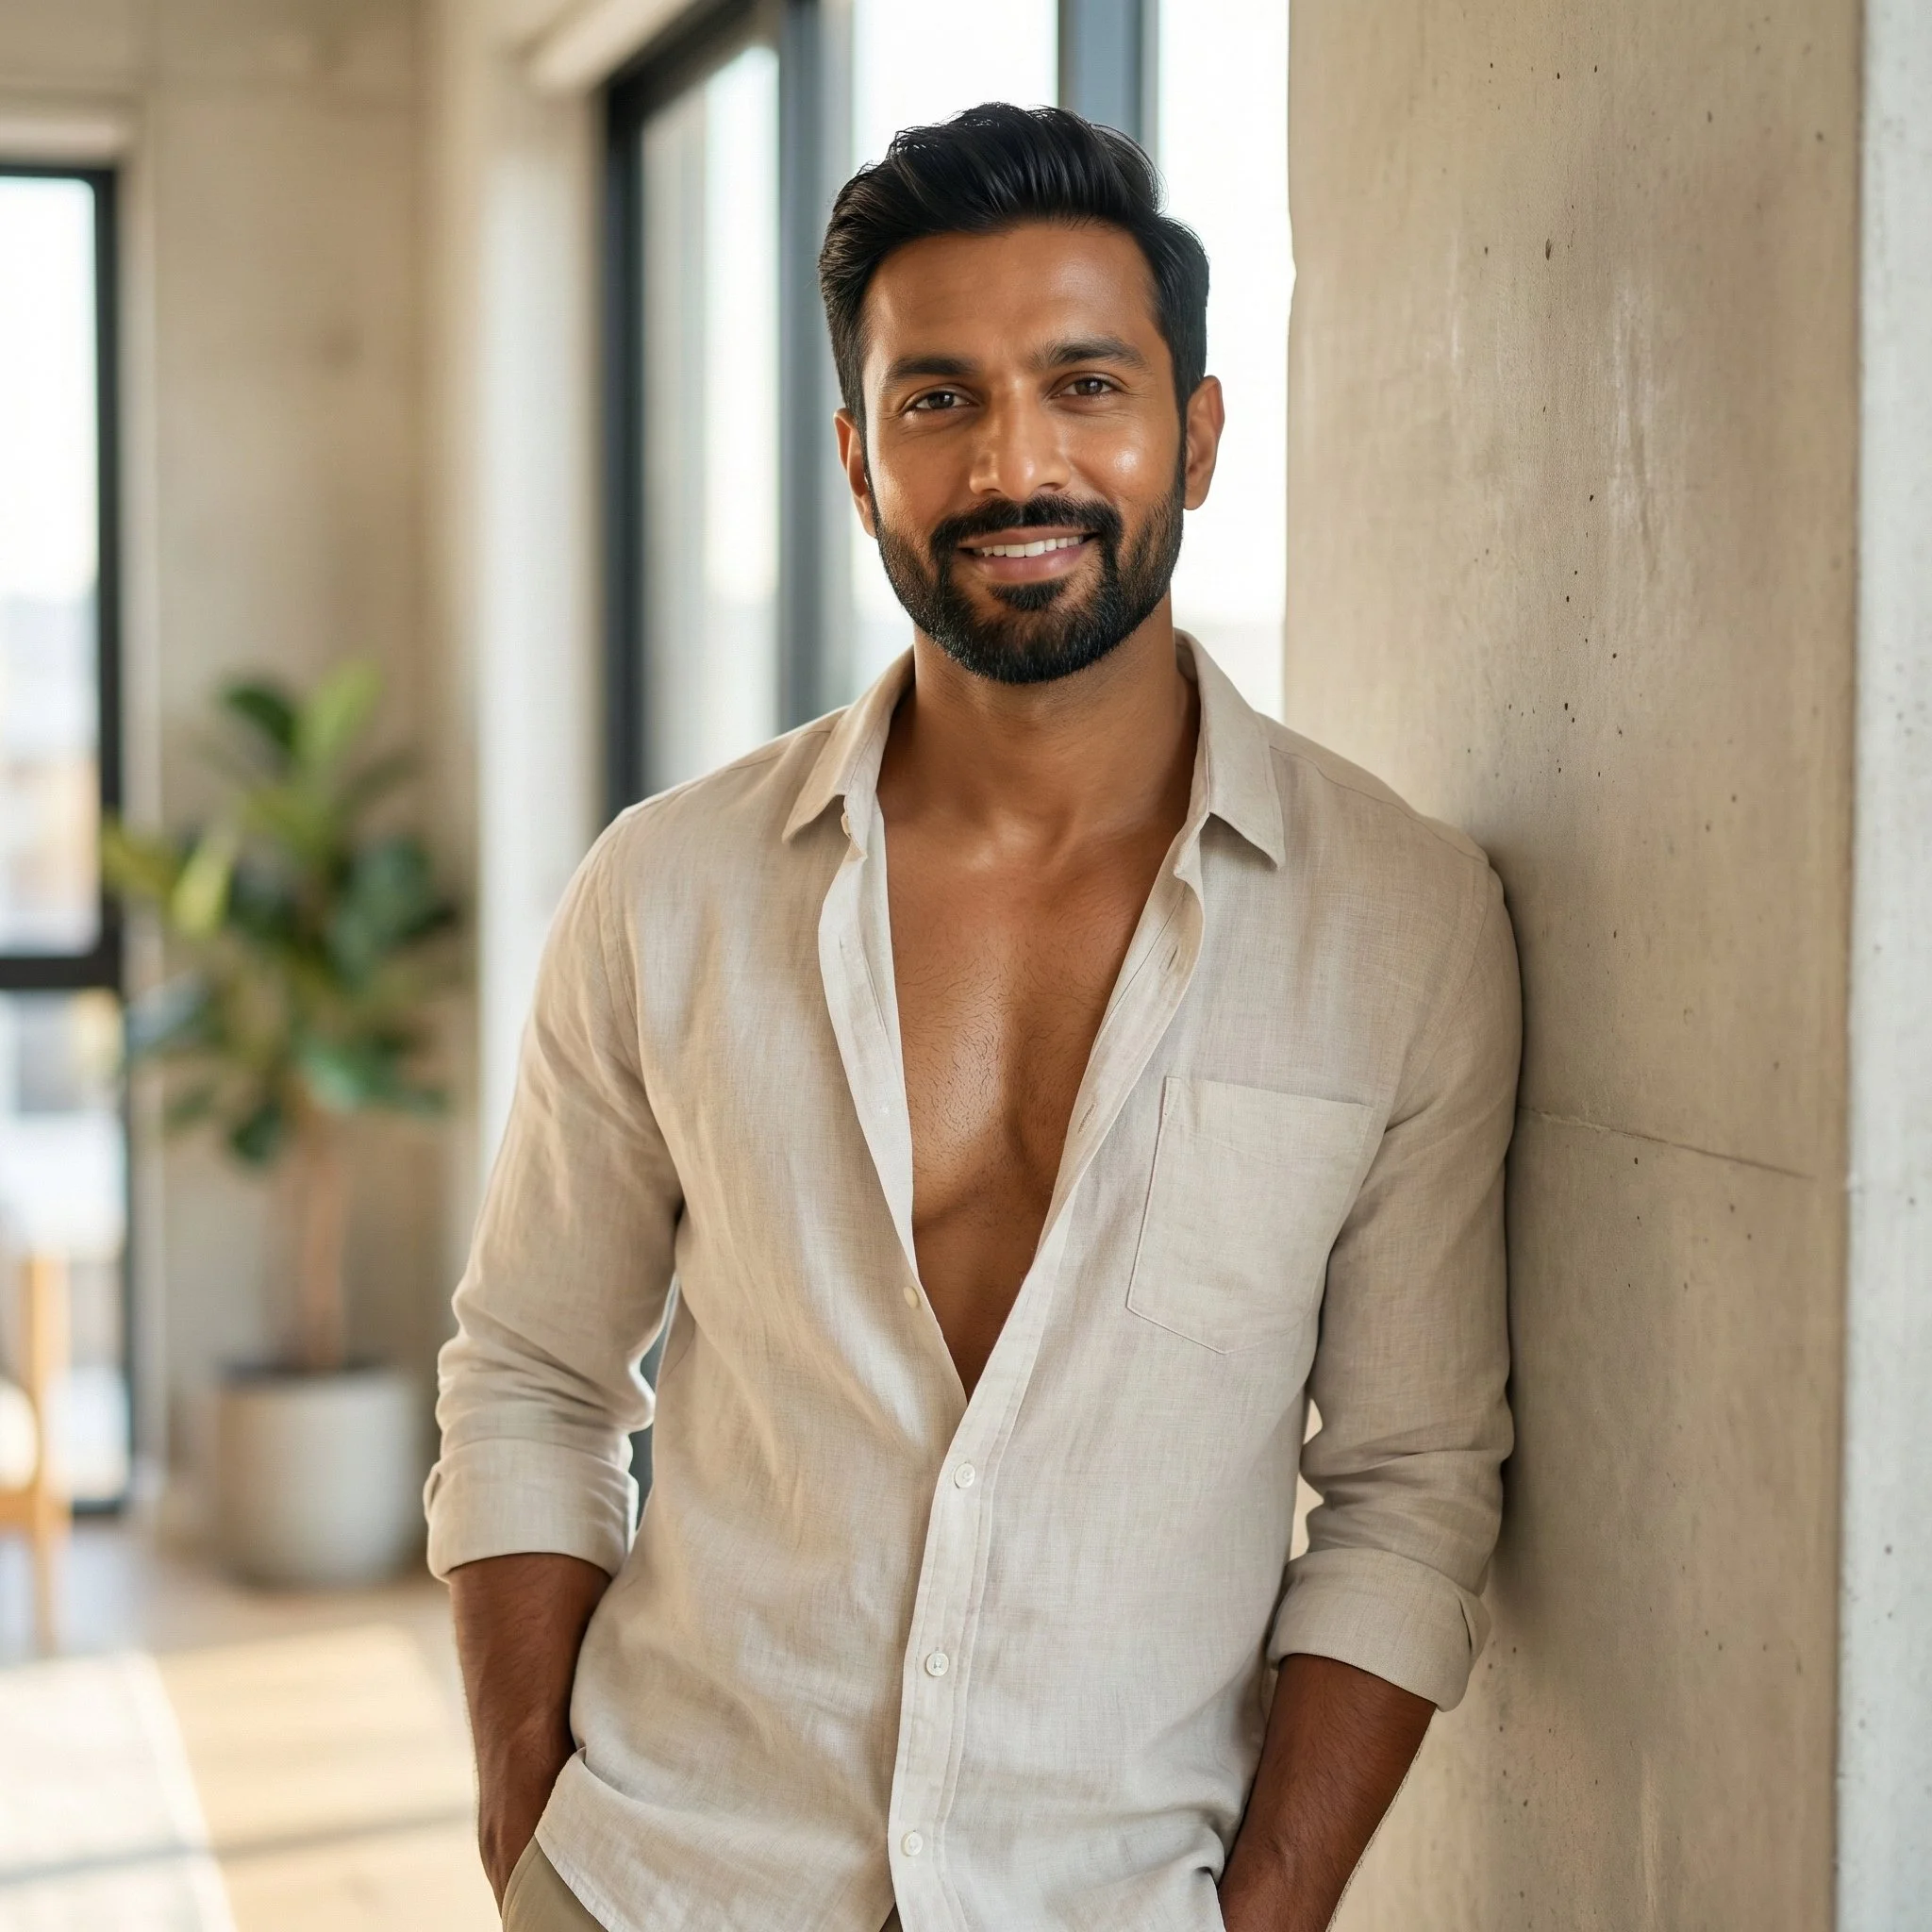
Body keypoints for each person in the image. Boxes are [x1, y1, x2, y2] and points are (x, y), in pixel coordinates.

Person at [428, 103, 1520, 1932]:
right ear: (857, 461)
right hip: (667, 1883)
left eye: (1085, 382)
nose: (1018, 460)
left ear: (1200, 431)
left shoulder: (1399, 923)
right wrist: (533, 1826)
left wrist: (1263, 1914)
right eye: (939, 400)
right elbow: (532, 1376)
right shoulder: (667, 891)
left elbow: (1409, 1491)